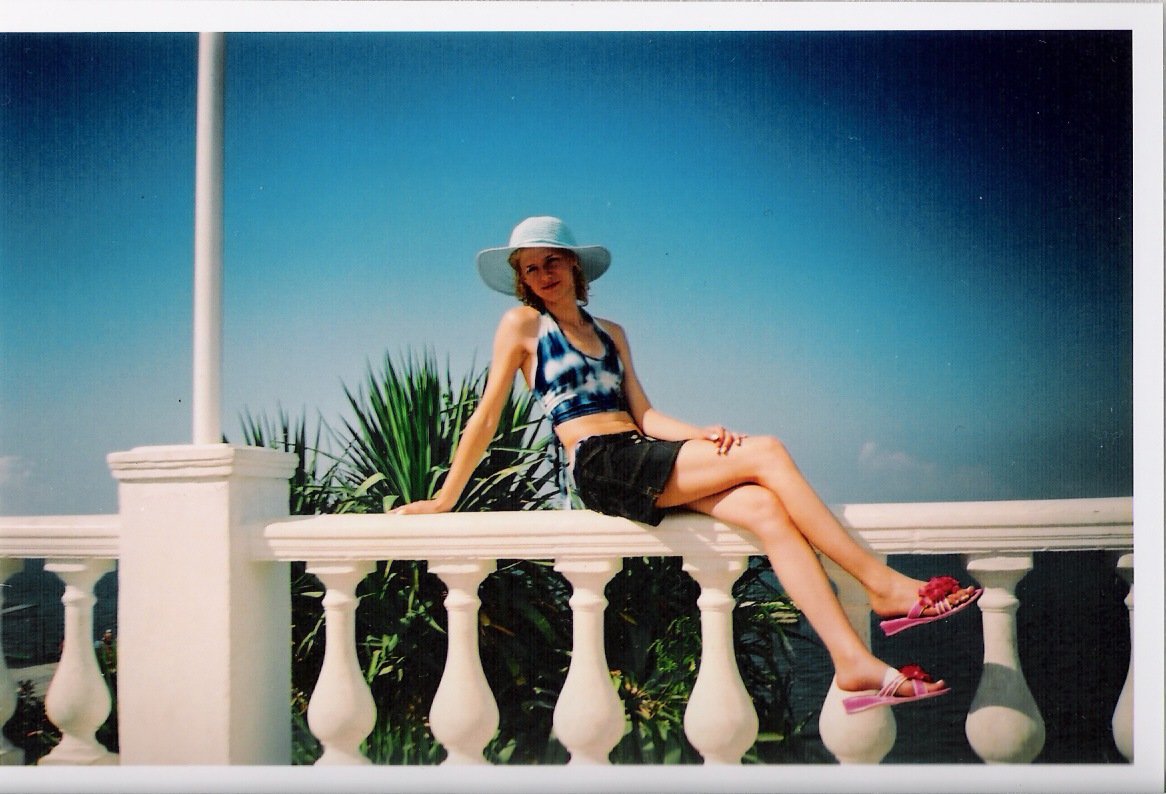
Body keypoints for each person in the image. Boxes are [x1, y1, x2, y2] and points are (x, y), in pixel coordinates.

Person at [393, 216, 981, 711]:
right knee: (768, 451)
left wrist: (701, 433)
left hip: (639, 453)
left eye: (552, 262)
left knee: (764, 508)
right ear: (521, 280)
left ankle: (852, 664)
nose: (543, 275)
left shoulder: (612, 332)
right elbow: (486, 417)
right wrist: (445, 499)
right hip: (599, 464)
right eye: (530, 268)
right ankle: (882, 585)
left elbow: (645, 414)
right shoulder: (524, 325)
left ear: (574, 266)